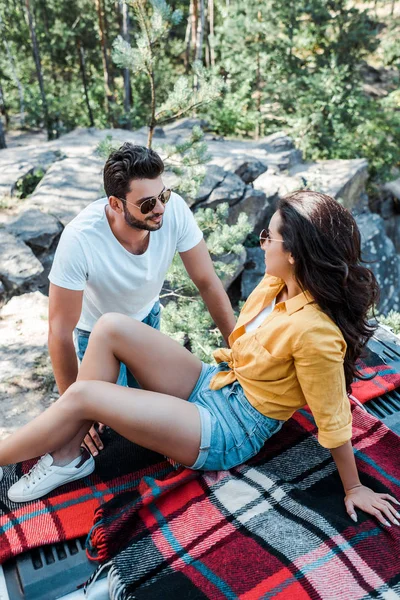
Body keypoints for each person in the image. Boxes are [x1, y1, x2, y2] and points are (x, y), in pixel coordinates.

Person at [1, 190, 399, 527]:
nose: (262, 242)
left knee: (82, 396)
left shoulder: (316, 333)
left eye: (269, 237)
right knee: (108, 327)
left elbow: (333, 418)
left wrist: (354, 486)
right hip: (217, 382)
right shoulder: (278, 282)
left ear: (294, 253)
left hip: (229, 428)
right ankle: (68, 457)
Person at [46, 142, 235, 457]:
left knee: (159, 424)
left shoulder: (173, 211)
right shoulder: (80, 240)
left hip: (148, 324)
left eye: (163, 195)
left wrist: (238, 346)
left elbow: (207, 282)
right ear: (116, 204)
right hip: (97, 341)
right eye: (147, 203)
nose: (160, 207)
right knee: (103, 438)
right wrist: (72, 408)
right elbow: (59, 332)